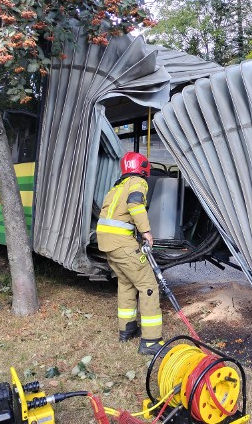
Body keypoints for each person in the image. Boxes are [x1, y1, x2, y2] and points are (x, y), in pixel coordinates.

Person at [96, 151, 164, 355]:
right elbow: (135, 204)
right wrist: (146, 231)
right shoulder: (137, 182)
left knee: (126, 283)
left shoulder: (116, 186)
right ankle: (151, 341)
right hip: (121, 244)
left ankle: (127, 329)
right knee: (148, 285)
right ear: (143, 167)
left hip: (106, 243)